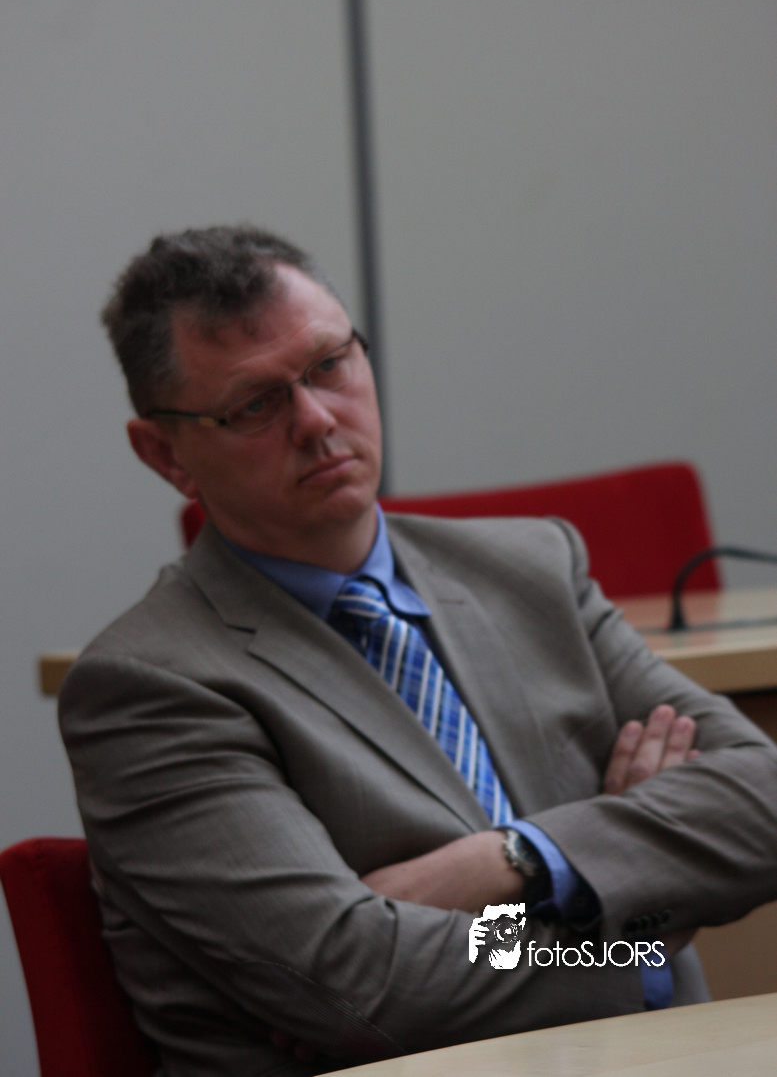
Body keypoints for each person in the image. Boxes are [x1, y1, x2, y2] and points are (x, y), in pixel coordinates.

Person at [59, 226, 777, 1077]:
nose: (316, 420)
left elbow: (761, 796)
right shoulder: (148, 683)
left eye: (329, 365)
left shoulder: (533, 568)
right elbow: (368, 983)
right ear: (165, 454)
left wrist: (516, 859)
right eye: (253, 405)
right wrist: (640, 924)